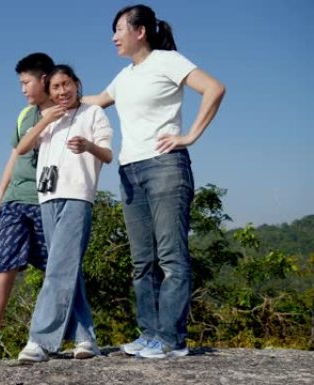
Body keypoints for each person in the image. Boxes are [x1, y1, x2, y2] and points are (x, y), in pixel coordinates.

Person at [83, 4, 226, 358]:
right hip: (130, 171)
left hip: (165, 166)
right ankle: (149, 335)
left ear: (140, 31)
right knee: (141, 261)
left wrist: (189, 135)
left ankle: (172, 340)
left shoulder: (167, 61)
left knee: (171, 257)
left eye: (119, 29)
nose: (114, 37)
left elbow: (214, 88)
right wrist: (57, 97)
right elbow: (97, 101)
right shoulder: (125, 76)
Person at [14, 64, 113, 363]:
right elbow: (21, 149)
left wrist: (87, 145)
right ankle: (85, 338)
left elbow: (108, 155)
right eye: (56, 87)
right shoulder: (47, 119)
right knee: (66, 267)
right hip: (48, 198)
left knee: (58, 267)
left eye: (66, 84)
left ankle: (41, 341)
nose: (62, 91)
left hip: (78, 195)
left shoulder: (93, 113)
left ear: (77, 84)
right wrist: (45, 122)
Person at [0, 53, 56, 360]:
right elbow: (14, 156)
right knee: (4, 261)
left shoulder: (66, 110)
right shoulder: (24, 115)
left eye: (26, 82)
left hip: (47, 200)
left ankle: (61, 336)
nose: (23, 89)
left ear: (44, 78)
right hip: (15, 201)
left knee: (56, 269)